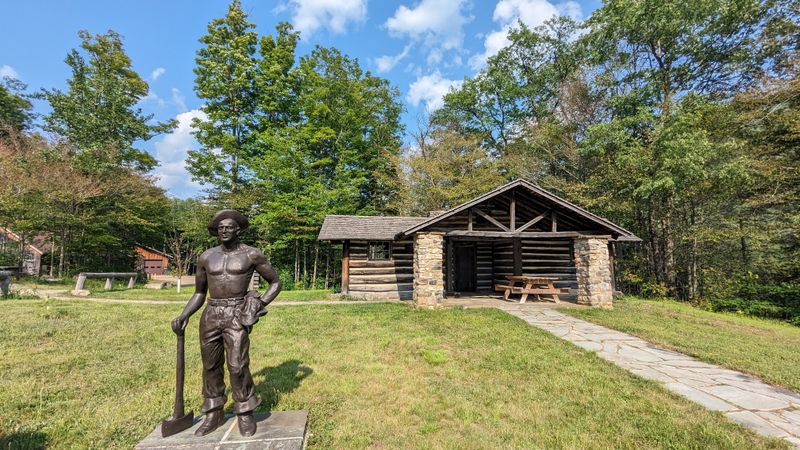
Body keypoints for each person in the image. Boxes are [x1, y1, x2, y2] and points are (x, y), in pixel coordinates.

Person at [171, 209, 281, 437]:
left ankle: (244, 412)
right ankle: (214, 411)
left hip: (236, 312)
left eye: (228, 227)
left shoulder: (252, 255)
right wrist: (184, 315)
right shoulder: (206, 257)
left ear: (238, 230)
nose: (224, 230)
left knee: (237, 365)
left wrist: (258, 304)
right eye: (220, 228)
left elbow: (275, 283)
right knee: (210, 366)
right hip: (211, 312)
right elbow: (199, 293)